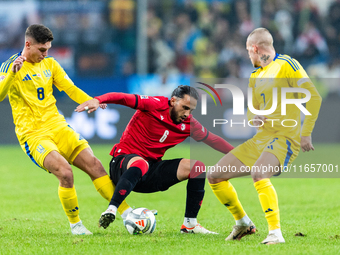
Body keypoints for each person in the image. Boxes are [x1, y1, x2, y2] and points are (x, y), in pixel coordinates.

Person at [0, 24, 132, 235]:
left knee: (95, 165)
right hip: (33, 135)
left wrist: (92, 101)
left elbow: (70, 88)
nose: (45, 54)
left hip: (58, 125)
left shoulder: (50, 64)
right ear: (28, 44)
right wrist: (11, 76)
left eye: (48, 49)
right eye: (42, 50)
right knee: (65, 173)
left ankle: (128, 214)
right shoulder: (10, 66)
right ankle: (76, 225)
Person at [207, 28, 322, 244]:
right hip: (259, 141)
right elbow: (252, 111)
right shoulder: (255, 75)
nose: (248, 57)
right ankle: (243, 223)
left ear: (255, 48)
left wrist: (305, 133)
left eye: (248, 52)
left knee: (259, 173)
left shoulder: (288, 65)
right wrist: (254, 117)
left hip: (285, 138)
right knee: (215, 176)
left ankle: (275, 233)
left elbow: (314, 98)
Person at [75, 85, 234, 233]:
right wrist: (98, 100)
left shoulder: (188, 124)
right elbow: (123, 98)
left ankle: (190, 224)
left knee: (197, 167)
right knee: (140, 163)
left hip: (149, 172)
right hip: (122, 165)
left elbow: (213, 140)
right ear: (173, 101)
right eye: (184, 108)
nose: (187, 113)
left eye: (191, 110)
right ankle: (112, 209)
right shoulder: (154, 104)